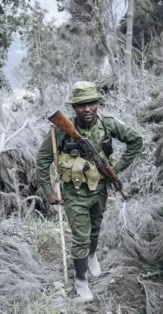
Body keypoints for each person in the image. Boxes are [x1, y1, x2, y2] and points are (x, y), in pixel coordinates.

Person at [35, 81, 143, 301]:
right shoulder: (60, 131)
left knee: (95, 230)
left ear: (97, 103)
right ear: (74, 108)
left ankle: (92, 255)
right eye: (81, 105)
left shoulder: (109, 125)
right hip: (74, 194)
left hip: (100, 189)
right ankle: (81, 283)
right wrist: (48, 190)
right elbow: (43, 159)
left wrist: (117, 168)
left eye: (91, 103)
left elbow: (136, 141)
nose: (87, 109)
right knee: (81, 238)